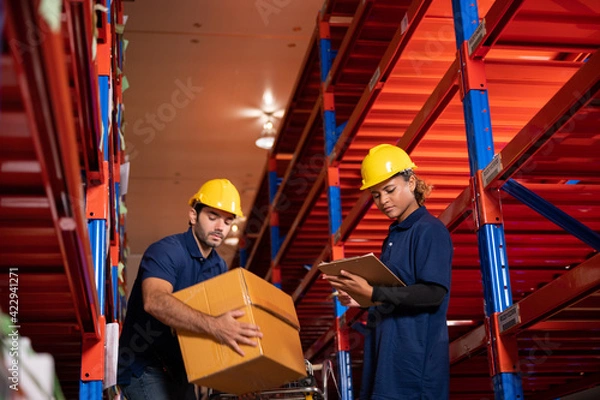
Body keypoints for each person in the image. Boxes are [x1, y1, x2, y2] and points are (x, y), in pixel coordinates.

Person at [323, 144, 453, 400]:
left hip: (414, 371)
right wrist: (362, 296)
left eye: (390, 190)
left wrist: (374, 292)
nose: (383, 201)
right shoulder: (394, 237)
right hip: (387, 361)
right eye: (375, 195)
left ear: (412, 182)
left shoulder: (429, 230)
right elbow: (395, 291)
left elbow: (433, 293)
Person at [117, 178, 263, 400]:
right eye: (212, 217)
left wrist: (239, 379)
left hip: (181, 372)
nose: (220, 227)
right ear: (193, 216)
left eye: (227, 221)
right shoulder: (166, 251)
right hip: (143, 367)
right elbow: (154, 301)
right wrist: (215, 326)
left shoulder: (218, 266)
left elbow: (225, 323)